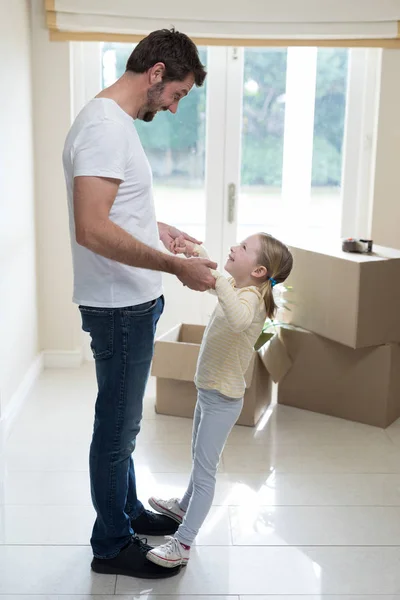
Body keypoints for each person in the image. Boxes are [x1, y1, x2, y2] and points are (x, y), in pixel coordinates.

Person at [62, 28, 217, 579]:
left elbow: (115, 212)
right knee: (117, 428)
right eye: (177, 94)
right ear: (156, 73)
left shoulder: (113, 124)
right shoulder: (106, 127)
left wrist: (160, 230)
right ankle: (111, 547)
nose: (174, 108)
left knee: (122, 425)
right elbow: (92, 228)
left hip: (130, 302)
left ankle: (125, 512)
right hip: (119, 308)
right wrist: (176, 267)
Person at [146, 233, 293, 568]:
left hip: (222, 400)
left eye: (242, 248)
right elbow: (217, 284)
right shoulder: (240, 291)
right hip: (209, 391)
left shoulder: (251, 301)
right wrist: (196, 253)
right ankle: (183, 505)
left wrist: (221, 278)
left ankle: (182, 543)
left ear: (258, 271)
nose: (234, 247)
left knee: (205, 470)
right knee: (198, 457)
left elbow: (238, 317)